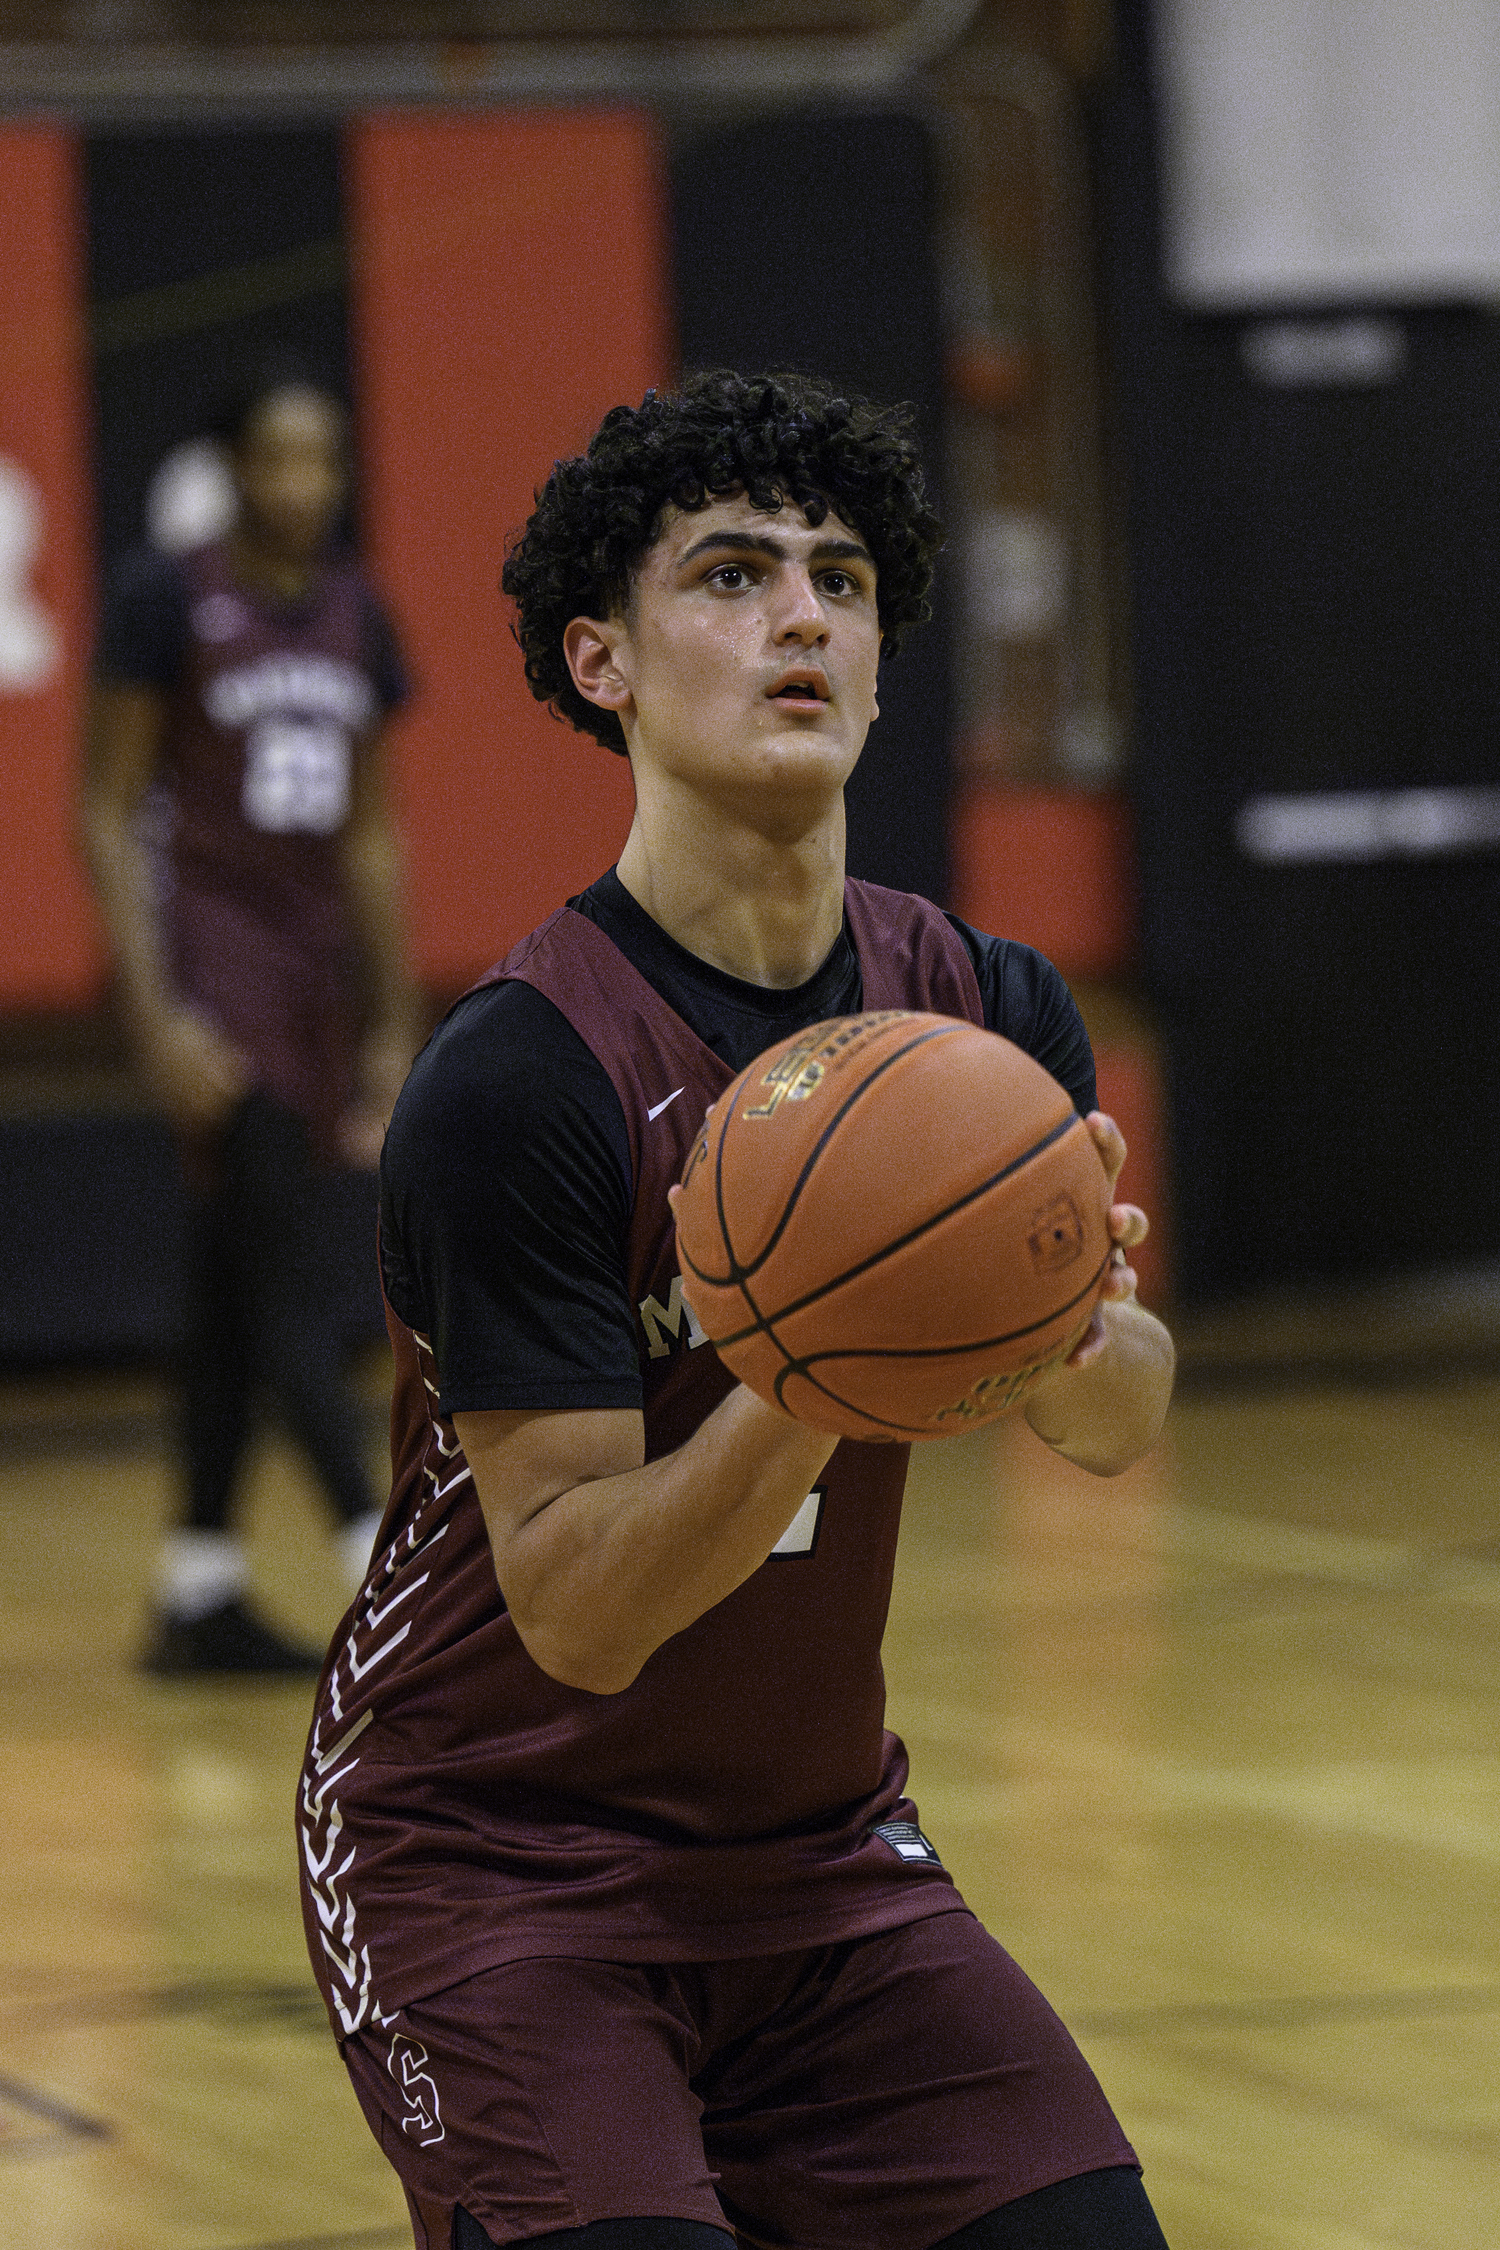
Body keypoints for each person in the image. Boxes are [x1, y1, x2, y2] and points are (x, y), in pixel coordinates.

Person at [298, 370, 1176, 2249]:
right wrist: (806, 1357)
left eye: (842, 580)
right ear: (598, 660)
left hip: (818, 1854)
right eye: (733, 575)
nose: (801, 616)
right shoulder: (520, 1080)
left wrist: (1068, 1312)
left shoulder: (983, 1015)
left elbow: (1114, 1419)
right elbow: (582, 1615)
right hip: (490, 1859)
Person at [82, 376, 418, 1675]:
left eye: (322, 455)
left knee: (231, 1283)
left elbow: (377, 830)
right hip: (215, 971)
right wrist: (155, 1011)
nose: (303, 481)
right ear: (232, 471)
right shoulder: (166, 598)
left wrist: (394, 1018)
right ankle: (388, 1583)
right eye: (277, 457)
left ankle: (198, 1589)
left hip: (313, 974)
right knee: (287, 1282)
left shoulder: (358, 612)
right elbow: (104, 809)